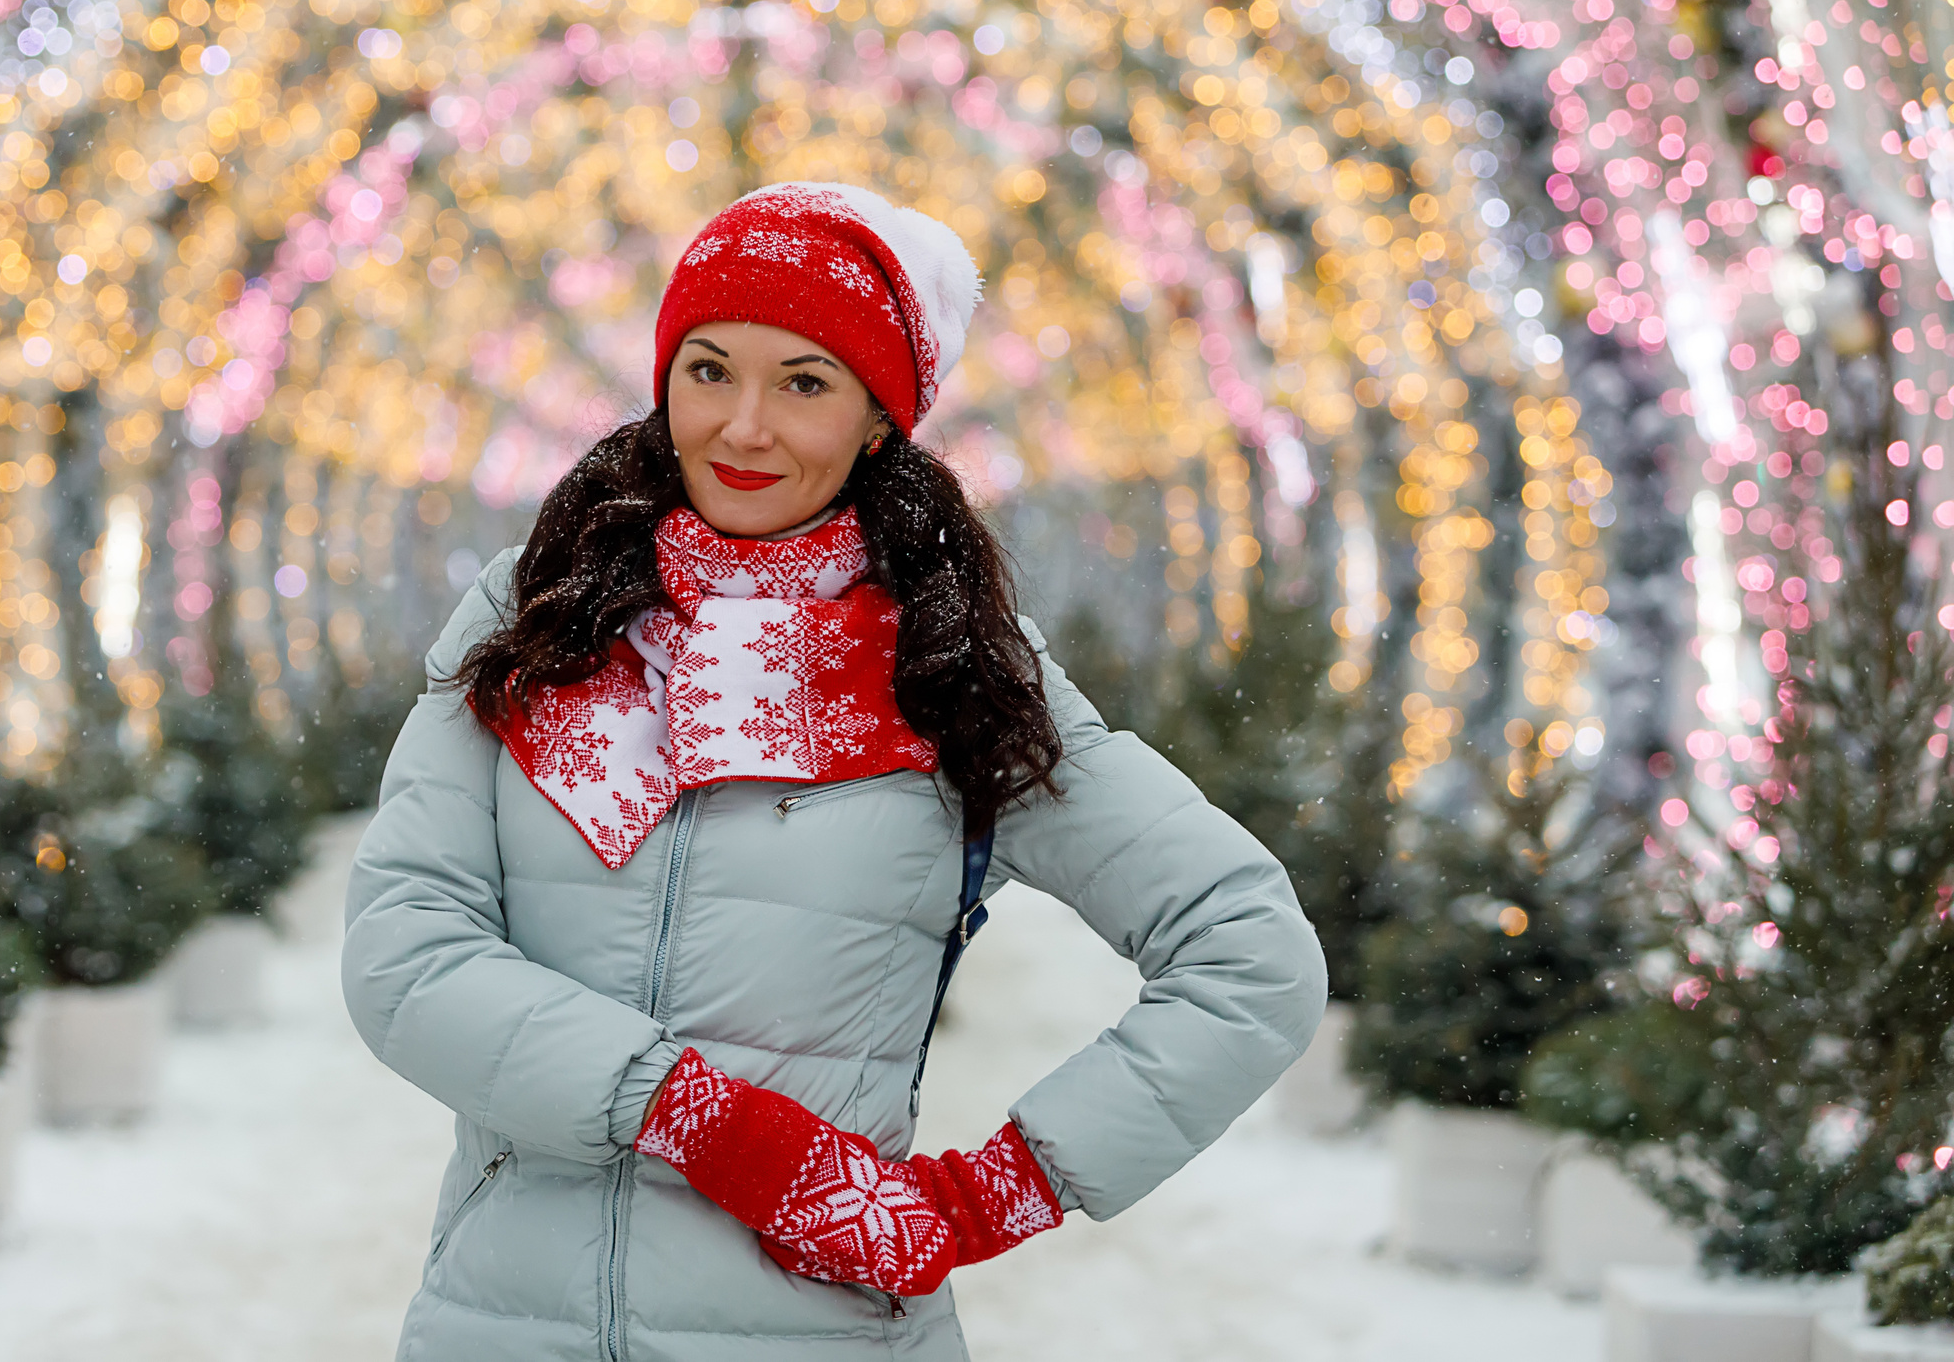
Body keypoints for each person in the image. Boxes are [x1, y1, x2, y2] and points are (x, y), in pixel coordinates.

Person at [343, 181, 1328, 1360]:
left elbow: (1248, 951)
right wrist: (705, 1124)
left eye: (802, 383)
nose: (742, 428)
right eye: (708, 370)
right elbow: (406, 950)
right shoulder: (535, 619)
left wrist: (987, 1196)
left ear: (876, 418)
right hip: (497, 1329)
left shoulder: (951, 667)